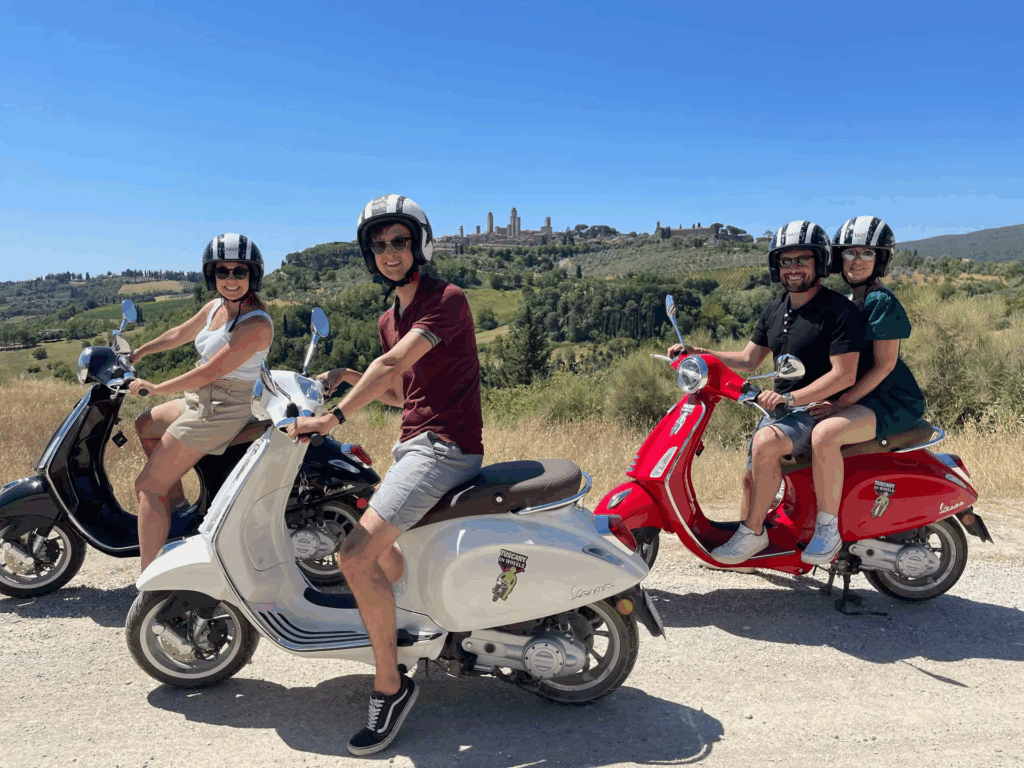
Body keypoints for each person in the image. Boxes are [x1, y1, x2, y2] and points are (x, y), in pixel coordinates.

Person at [288, 195, 484, 756]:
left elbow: (393, 365)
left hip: (445, 446)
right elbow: (402, 391)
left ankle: (390, 687)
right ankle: (428, 632)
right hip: (415, 444)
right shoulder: (388, 318)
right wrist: (350, 375)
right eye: (379, 245)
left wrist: (334, 415)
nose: (390, 252)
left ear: (418, 244)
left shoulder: (445, 299)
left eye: (399, 241)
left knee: (353, 554)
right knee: (387, 556)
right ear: (369, 254)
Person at [669, 221, 863, 565]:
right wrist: (700, 353)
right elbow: (748, 359)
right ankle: (750, 542)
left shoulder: (838, 310)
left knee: (765, 444)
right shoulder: (775, 308)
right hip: (780, 410)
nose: (793, 269)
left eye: (802, 260)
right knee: (750, 476)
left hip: (813, 410)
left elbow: (843, 374)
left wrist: (793, 398)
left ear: (819, 263)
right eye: (786, 262)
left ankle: (753, 534)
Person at [128, 234, 273, 570]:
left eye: (240, 272)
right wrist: (142, 351)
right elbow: (181, 332)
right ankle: (177, 511)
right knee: (145, 425)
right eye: (223, 272)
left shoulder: (255, 324)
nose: (231, 279)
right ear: (213, 276)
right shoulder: (215, 308)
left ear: (253, 275)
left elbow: (209, 371)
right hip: (200, 400)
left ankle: (149, 581)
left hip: (222, 410)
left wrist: (156, 387)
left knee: (148, 486)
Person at [806, 217, 925, 561]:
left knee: (825, 435)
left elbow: (884, 365)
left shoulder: (880, 302)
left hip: (889, 399)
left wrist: (840, 403)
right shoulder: (847, 301)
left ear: (880, 260)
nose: (856, 260)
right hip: (862, 396)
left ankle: (828, 532)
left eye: (867, 253)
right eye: (849, 253)